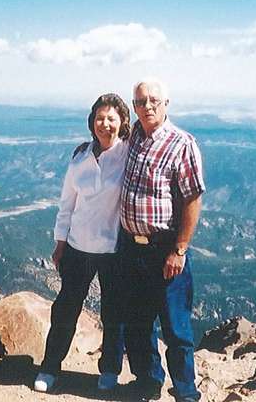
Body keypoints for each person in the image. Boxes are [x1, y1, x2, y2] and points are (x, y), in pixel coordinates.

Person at [34, 93, 132, 394]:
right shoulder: (80, 157)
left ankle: (110, 370)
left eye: (112, 118)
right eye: (100, 118)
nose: (105, 124)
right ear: (92, 122)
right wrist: (60, 242)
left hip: (113, 249)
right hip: (78, 247)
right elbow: (67, 204)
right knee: (65, 309)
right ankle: (50, 367)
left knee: (113, 312)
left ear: (123, 122)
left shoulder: (129, 154)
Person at [120, 77, 205, 402]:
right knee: (138, 322)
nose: (147, 106)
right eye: (141, 101)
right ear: (134, 107)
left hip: (165, 249)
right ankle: (148, 382)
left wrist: (179, 249)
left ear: (166, 103)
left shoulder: (182, 143)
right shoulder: (134, 136)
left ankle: (186, 392)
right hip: (131, 248)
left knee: (175, 327)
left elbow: (192, 199)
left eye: (154, 100)